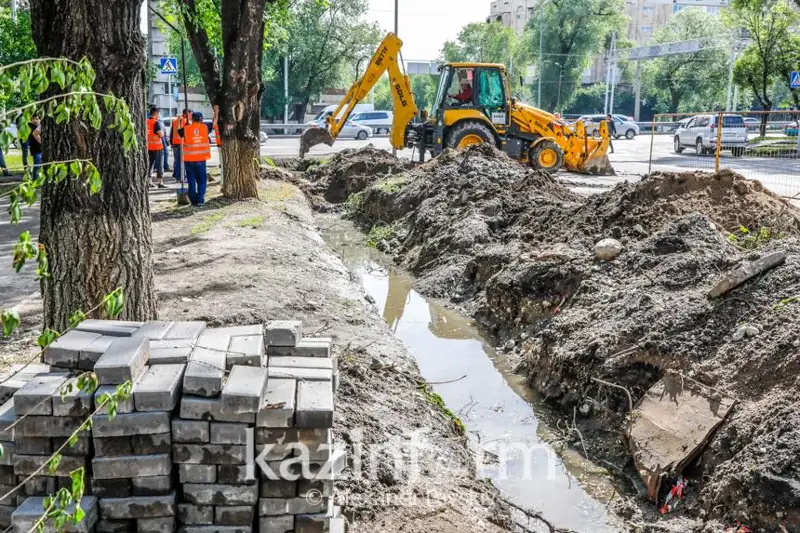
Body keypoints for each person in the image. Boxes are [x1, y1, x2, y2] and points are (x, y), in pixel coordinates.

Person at [182, 112, 211, 206]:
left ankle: (193, 201)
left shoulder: (185, 129)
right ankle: (200, 200)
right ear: (202, 119)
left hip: (189, 159)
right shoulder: (205, 127)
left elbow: (178, 133)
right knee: (202, 180)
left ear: (192, 119)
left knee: (191, 180)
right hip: (201, 159)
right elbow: (214, 123)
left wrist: (186, 124)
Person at [146, 107, 167, 188]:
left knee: (149, 165)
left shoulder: (146, 122)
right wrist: (162, 133)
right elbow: (160, 134)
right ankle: (160, 183)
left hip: (149, 147)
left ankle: (149, 182)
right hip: (158, 148)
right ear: (156, 114)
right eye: (159, 113)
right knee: (160, 165)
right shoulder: (156, 122)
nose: (159, 115)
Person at [170, 108, 191, 183]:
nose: (191, 116)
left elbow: (172, 132)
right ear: (187, 113)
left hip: (175, 143)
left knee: (177, 161)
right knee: (183, 162)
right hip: (182, 143)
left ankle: (177, 177)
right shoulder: (186, 121)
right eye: (190, 114)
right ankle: (182, 178)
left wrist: (171, 143)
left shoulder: (175, 120)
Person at [28, 116, 42, 182]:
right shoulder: (31, 126)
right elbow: (35, 134)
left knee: (39, 165)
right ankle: (35, 181)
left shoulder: (37, 126)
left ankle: (37, 180)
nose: (36, 120)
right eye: (34, 119)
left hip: (39, 149)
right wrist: (42, 142)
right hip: (36, 149)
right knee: (37, 165)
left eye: (37, 119)